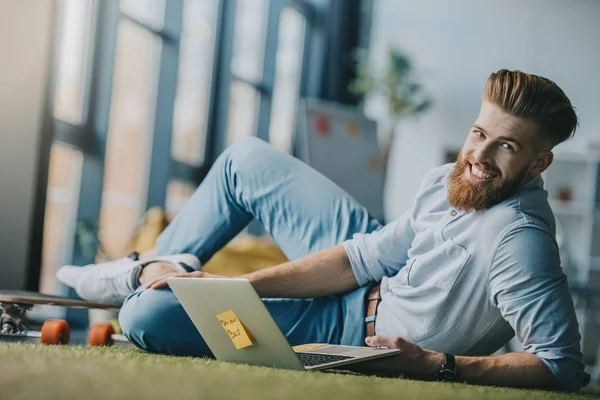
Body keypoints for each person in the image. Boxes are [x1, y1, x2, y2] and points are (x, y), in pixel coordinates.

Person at [57, 69, 589, 391]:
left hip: (349, 339)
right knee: (246, 160)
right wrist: (238, 288)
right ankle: (160, 266)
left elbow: (560, 366)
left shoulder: (520, 242)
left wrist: (434, 364)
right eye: (479, 133)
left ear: (538, 164)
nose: (478, 156)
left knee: (147, 315)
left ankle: (146, 277)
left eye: (506, 146)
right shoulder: (446, 179)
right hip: (365, 276)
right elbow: (364, 257)